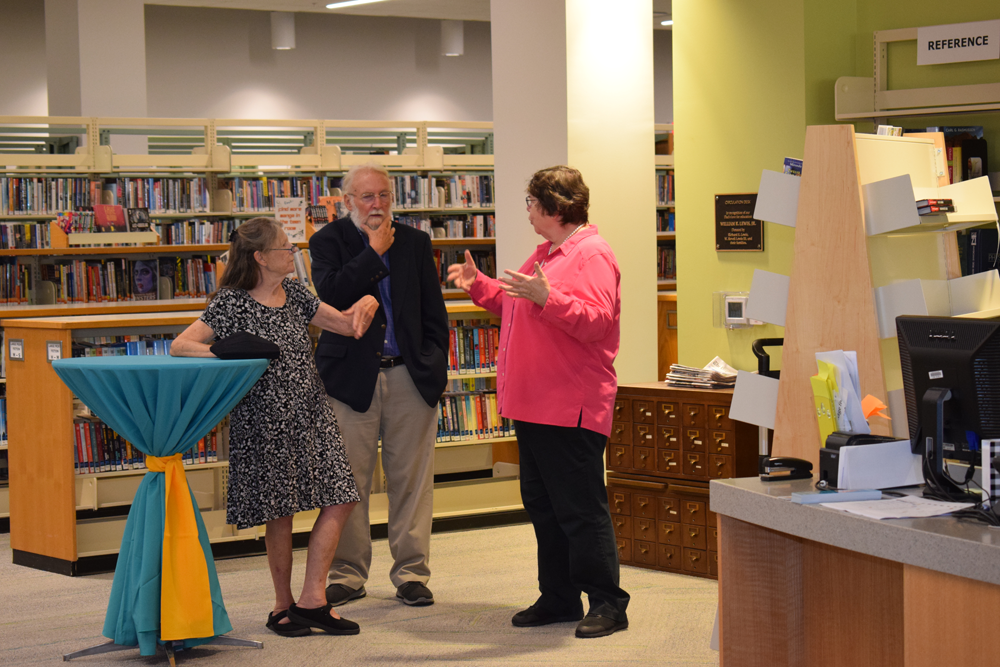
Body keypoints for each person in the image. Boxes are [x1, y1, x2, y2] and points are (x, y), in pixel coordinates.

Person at [171, 217, 379, 637]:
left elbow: (345, 325)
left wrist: (367, 303)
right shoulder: (232, 303)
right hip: (263, 418)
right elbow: (181, 345)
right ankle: (284, 606)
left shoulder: (297, 294)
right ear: (261, 258)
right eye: (286, 248)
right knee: (279, 513)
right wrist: (228, 356)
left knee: (341, 496)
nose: (293, 254)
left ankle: (312, 599)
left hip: (311, 411)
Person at [447, 166, 630, 639]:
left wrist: (549, 297)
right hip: (534, 404)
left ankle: (608, 603)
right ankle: (560, 596)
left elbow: (596, 321)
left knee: (580, 509)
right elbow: (518, 305)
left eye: (531, 202)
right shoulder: (547, 253)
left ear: (554, 206)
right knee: (544, 506)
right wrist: (478, 284)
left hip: (570, 405)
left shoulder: (591, 253)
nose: (527, 210)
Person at [309, 162, 449, 608]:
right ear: (347, 200)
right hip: (350, 380)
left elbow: (434, 314)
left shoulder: (414, 242)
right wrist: (372, 250)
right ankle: (348, 574)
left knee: (412, 481)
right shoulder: (327, 241)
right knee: (348, 482)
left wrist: (434, 363)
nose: (377, 205)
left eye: (384, 196)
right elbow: (331, 295)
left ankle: (411, 573)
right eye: (367, 197)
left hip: (409, 374)